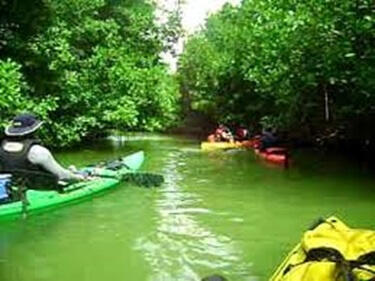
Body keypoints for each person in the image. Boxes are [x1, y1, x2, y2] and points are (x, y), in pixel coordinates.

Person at [0, 113, 85, 193]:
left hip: (11, 190)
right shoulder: (38, 151)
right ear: (34, 130)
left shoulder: (1, 147)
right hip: (41, 191)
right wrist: (79, 178)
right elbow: (62, 176)